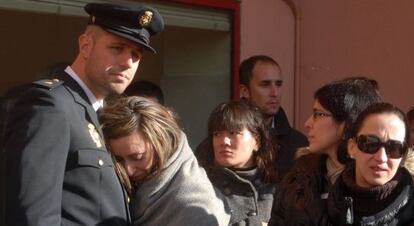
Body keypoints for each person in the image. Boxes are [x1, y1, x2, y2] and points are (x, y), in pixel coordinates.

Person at [3, 2, 164, 226]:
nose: (127, 62)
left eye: (135, 55)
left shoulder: (98, 111)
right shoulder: (50, 105)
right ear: (85, 45)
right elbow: (33, 216)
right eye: (117, 48)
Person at [100, 96, 230, 226]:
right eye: (118, 159)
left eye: (138, 157)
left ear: (163, 143)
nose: (128, 170)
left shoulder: (196, 208)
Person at [269, 77, 382, 226]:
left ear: (348, 122)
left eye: (318, 114)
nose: (308, 123)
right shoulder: (298, 177)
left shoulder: (381, 183)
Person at [327, 102, 414, 225]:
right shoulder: (318, 208)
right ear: (352, 147)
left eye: (394, 148)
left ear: (403, 156)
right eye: (371, 143)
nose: (381, 157)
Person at [197, 100, 277, 225]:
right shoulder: (202, 187)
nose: (224, 141)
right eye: (217, 134)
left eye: (233, 133)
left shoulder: (274, 188)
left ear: (256, 141)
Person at [239, 55, 308, 179]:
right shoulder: (224, 140)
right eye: (265, 85)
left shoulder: (298, 144)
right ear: (244, 91)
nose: (274, 93)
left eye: (278, 84)